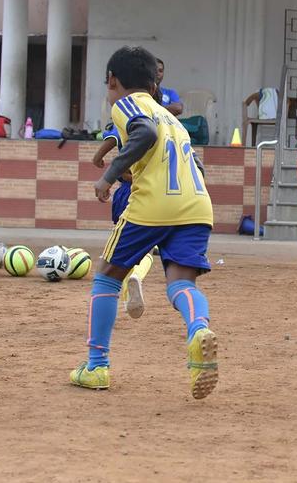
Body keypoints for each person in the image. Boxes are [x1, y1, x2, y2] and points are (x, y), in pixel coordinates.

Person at [70, 45, 219, 400]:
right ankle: (198, 329)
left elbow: (144, 134)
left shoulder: (126, 105)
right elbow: (196, 165)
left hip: (153, 206)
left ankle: (95, 367)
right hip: (197, 207)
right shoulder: (173, 118)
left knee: (106, 276)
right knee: (181, 284)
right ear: (155, 85)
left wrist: (109, 177)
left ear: (112, 81)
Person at [91, 124, 155, 317]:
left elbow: (113, 137)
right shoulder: (159, 122)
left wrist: (97, 157)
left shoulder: (129, 116)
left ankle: (123, 293)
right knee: (148, 247)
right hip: (149, 193)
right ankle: (136, 276)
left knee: (123, 247)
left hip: (125, 192)